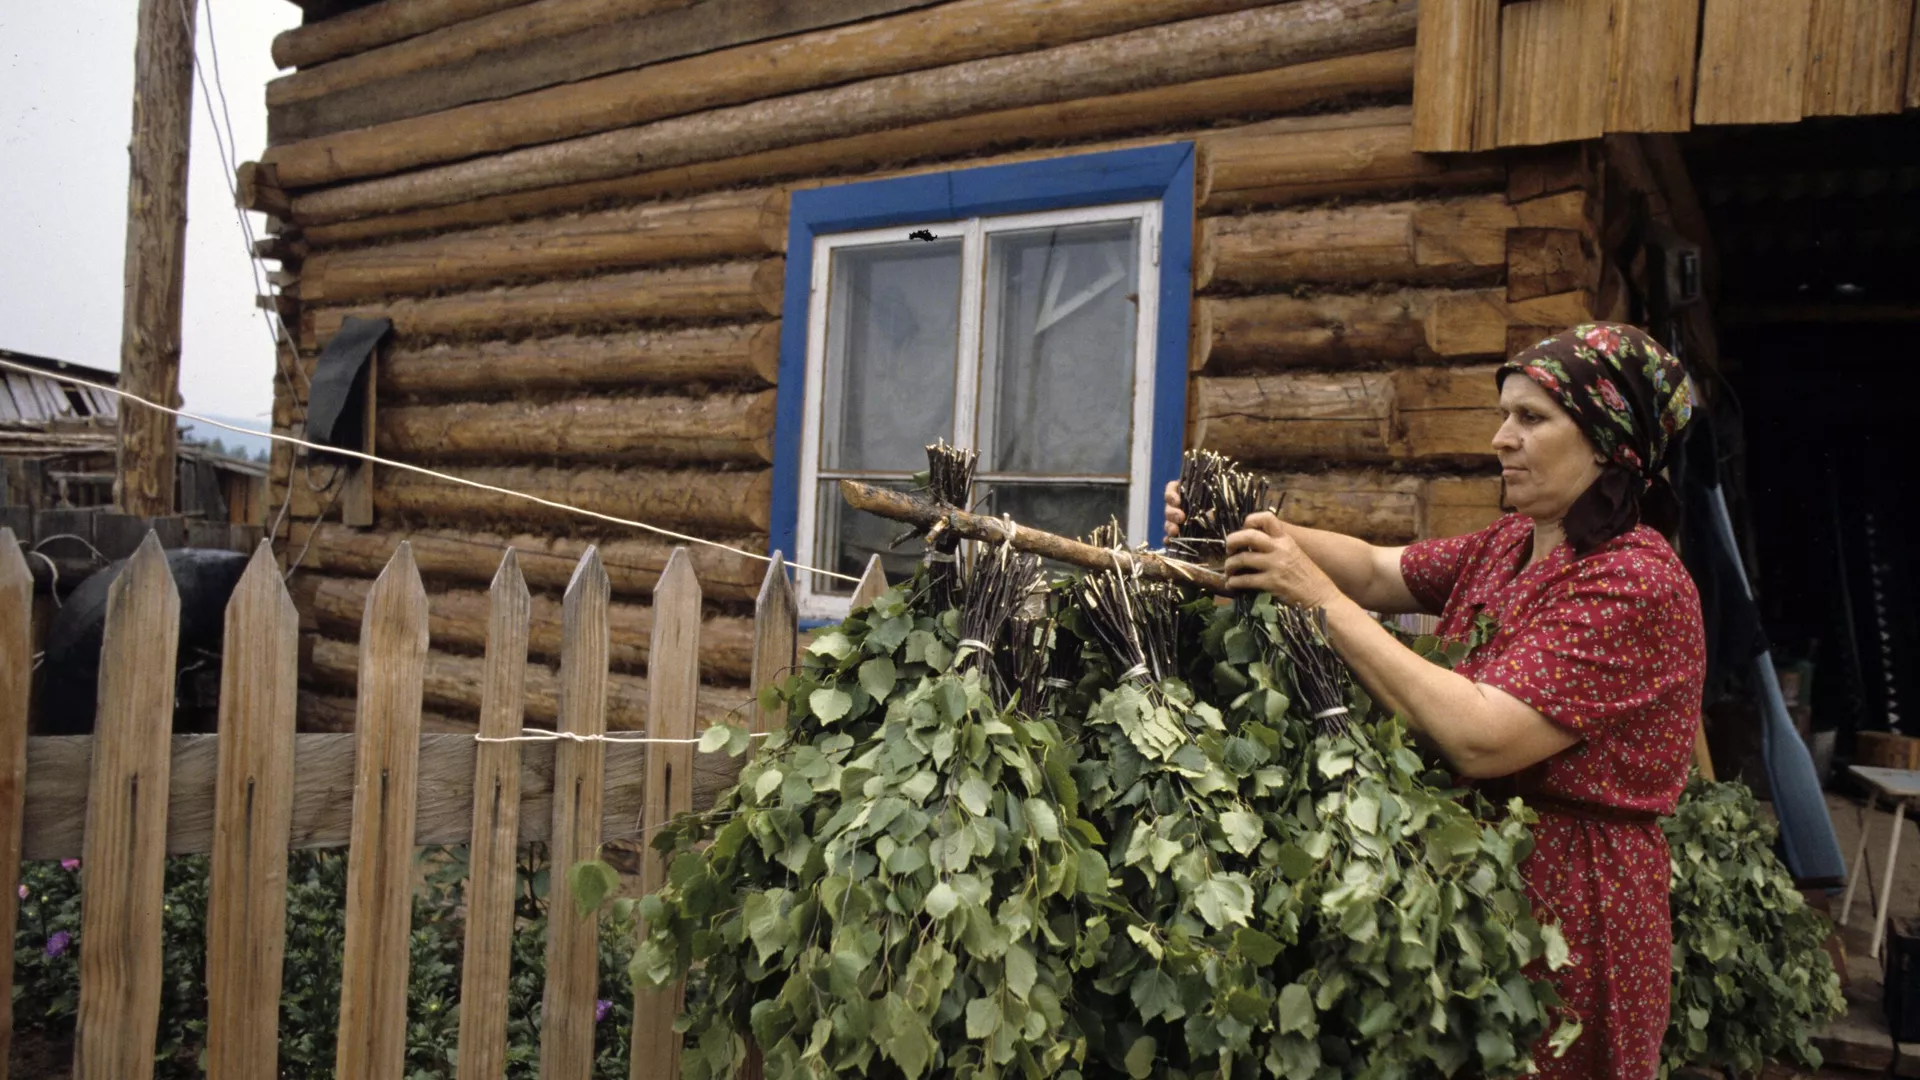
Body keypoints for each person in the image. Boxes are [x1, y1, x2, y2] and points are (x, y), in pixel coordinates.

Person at [1166, 323, 1705, 1079]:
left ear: (1608, 440)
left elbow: (1483, 735)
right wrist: (1252, 535)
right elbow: (1380, 571)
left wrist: (1313, 596)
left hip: (1574, 908)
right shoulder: (1515, 542)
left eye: (1531, 418)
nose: (1500, 439)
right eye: (1504, 414)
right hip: (1474, 881)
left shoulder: (1633, 583)